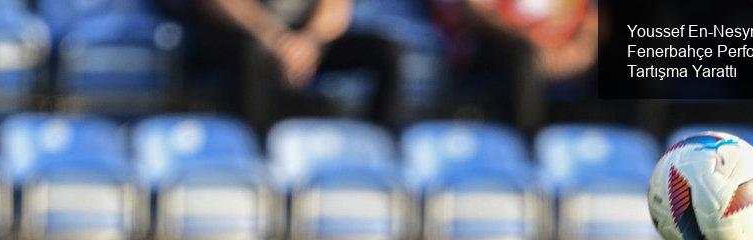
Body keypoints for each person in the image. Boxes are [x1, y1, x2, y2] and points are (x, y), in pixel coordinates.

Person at [189, 0, 403, 132]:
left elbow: (336, 12)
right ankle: (258, 141)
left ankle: (380, 140)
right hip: (247, 35)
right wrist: (276, 39)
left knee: (385, 53)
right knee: (251, 55)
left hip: (305, 41)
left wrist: (310, 42)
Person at [433, 0, 595, 135]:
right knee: (523, 61)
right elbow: (477, 11)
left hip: (566, 63)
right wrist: (531, 48)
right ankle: (527, 139)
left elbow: (591, 25)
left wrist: (575, 57)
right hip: (501, 59)